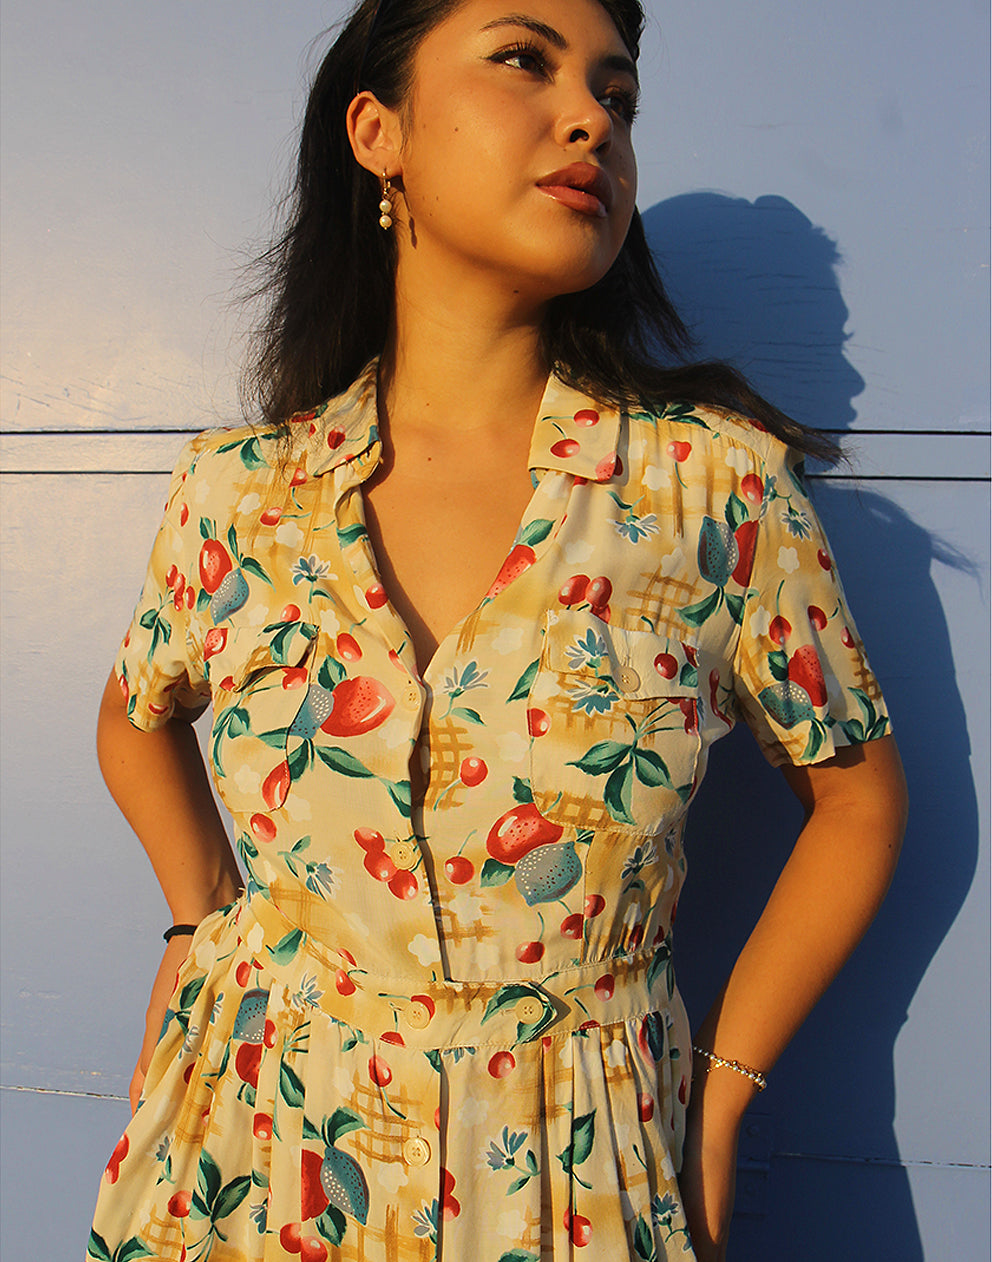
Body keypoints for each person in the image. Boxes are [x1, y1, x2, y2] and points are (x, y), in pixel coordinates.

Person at [87, 1, 907, 1259]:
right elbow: (135, 713)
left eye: (617, 97)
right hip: (253, 1149)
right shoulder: (240, 492)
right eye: (524, 61)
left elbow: (856, 798)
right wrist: (196, 917)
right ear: (379, 133)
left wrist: (721, 1091)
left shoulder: (708, 489)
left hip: (571, 1175)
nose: (590, 119)